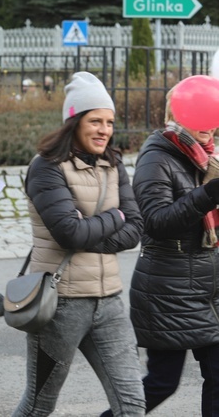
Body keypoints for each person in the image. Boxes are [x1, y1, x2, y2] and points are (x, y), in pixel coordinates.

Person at [14, 72, 145, 416]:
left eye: (110, 122)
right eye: (95, 121)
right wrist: (114, 217)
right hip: (60, 304)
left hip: (109, 301)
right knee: (39, 404)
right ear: (74, 121)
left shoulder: (113, 164)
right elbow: (69, 233)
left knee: (132, 404)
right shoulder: (46, 167)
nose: (105, 129)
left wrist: (91, 229)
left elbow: (136, 229)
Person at [117, 86, 219, 416]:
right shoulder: (156, 156)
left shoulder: (208, 156)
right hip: (169, 291)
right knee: (163, 382)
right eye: (199, 115)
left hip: (207, 291)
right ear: (175, 115)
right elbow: (157, 222)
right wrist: (209, 194)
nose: (208, 124)